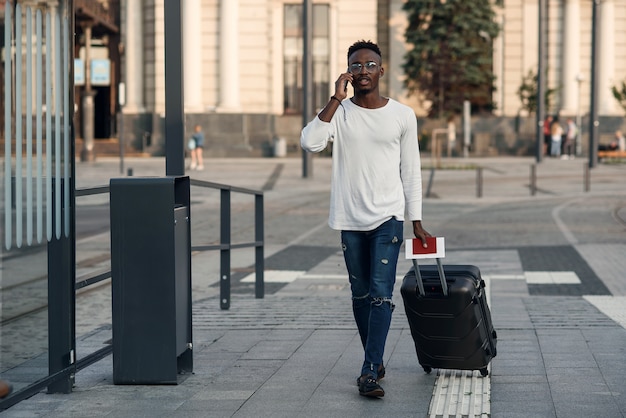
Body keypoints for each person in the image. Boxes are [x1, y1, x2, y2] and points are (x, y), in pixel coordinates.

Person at [300, 40, 430, 398]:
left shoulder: (402, 115)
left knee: (380, 294)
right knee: (360, 295)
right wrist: (335, 99)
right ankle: (375, 358)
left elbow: (411, 170)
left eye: (369, 65)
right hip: (349, 217)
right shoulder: (338, 113)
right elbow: (310, 143)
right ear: (347, 73)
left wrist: (414, 220)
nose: (362, 72)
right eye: (355, 66)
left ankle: (369, 370)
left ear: (381, 71)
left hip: (388, 217)